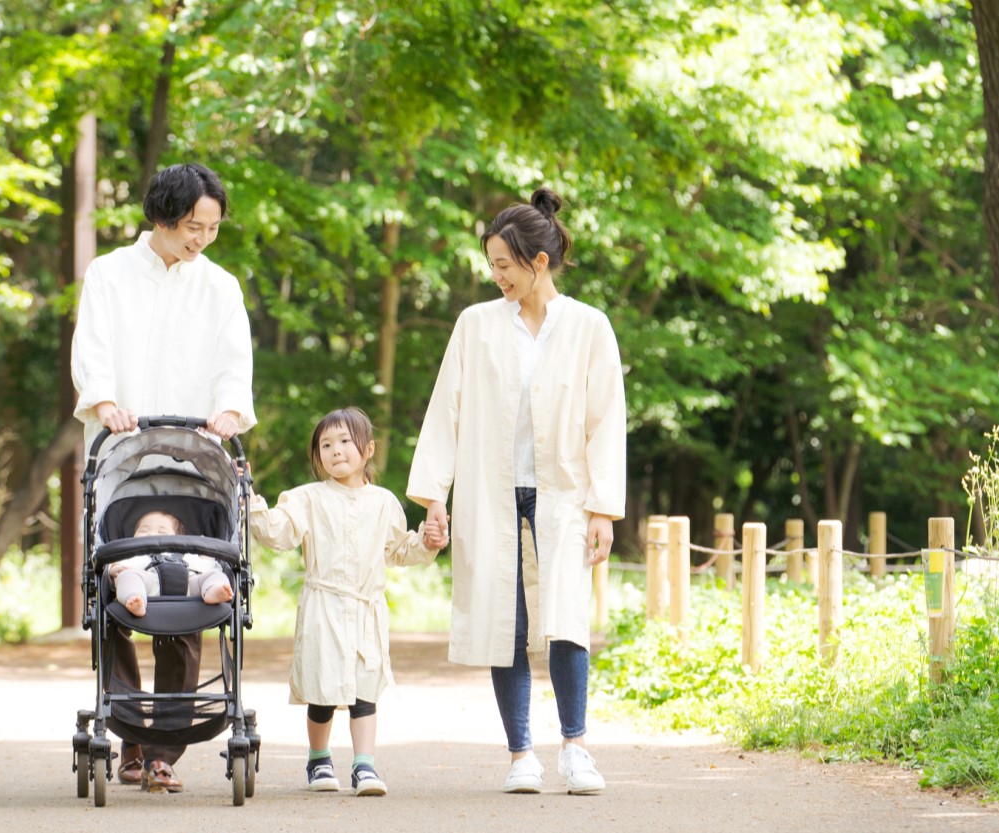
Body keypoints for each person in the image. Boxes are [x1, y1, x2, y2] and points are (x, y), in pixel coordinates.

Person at [407, 188, 626, 796]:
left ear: (538, 262)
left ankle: (576, 749)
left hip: (564, 494)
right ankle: (520, 754)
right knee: (507, 621)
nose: (495, 274)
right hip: (492, 492)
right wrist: (434, 496)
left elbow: (607, 420)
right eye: (491, 264)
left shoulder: (588, 327)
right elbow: (445, 409)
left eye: (504, 264)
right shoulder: (475, 325)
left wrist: (604, 508)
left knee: (566, 619)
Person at [71, 161, 256, 793]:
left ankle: (163, 748)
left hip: (195, 453)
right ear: (161, 217)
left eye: (211, 228)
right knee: (118, 588)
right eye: (190, 226)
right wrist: (102, 404)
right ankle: (128, 733)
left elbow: (235, 359)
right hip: (122, 452)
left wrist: (230, 410)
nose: (201, 238)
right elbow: (92, 348)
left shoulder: (220, 285)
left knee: (188, 582)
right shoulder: (110, 274)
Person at [248, 407, 445, 797]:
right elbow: (278, 532)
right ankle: (319, 759)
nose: (335, 450)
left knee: (364, 691)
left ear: (367, 448)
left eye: (344, 441)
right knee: (322, 691)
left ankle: (364, 766)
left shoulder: (384, 502)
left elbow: (400, 550)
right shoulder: (306, 499)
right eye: (326, 444)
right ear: (317, 455)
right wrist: (251, 502)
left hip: (367, 609)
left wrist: (427, 542)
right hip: (324, 606)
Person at [108, 510, 234, 617]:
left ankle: (214, 590)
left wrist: (207, 556)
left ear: (179, 539)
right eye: (143, 531)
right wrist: (116, 569)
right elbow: (116, 566)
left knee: (215, 575)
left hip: (188, 583)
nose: (151, 534)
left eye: (161, 532)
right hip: (149, 585)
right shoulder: (135, 556)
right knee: (127, 577)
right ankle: (135, 598)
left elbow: (205, 565)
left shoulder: (187, 555)